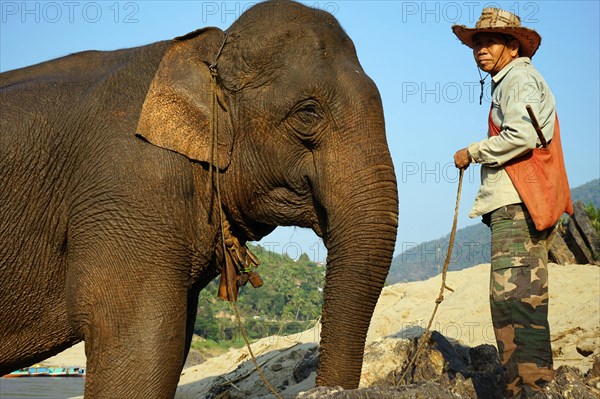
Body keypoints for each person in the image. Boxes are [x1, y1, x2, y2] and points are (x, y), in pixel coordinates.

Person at [451, 8, 573, 399]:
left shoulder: (517, 78)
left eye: (489, 42)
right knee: (523, 303)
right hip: (523, 203)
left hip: (519, 204)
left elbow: (521, 135)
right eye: (476, 43)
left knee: (514, 306)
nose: (480, 50)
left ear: (512, 45)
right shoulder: (514, 79)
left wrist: (473, 151)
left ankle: (529, 389)